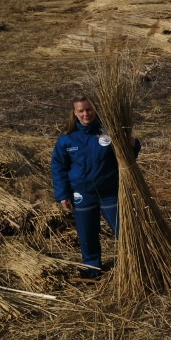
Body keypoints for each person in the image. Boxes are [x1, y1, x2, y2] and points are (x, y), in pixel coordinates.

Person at [51, 95, 140, 280]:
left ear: (95, 110)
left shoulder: (108, 132)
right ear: (75, 113)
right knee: (87, 234)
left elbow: (127, 157)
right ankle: (92, 269)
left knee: (123, 229)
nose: (86, 114)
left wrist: (133, 146)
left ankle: (136, 262)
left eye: (89, 109)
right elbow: (59, 168)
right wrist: (62, 194)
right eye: (81, 111)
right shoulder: (67, 139)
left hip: (109, 191)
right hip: (82, 194)